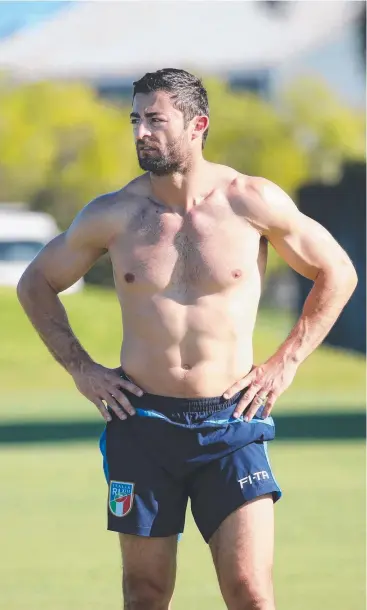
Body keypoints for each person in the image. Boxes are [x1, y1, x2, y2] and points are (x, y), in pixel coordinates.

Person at [17, 68, 357, 610]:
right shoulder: (114, 214)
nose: (140, 132)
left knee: (250, 591)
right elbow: (35, 282)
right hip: (143, 424)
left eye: (155, 119)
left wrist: (285, 361)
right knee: (145, 594)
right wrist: (81, 367)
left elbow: (337, 271)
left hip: (231, 422)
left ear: (197, 124)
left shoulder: (251, 201)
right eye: (135, 119)